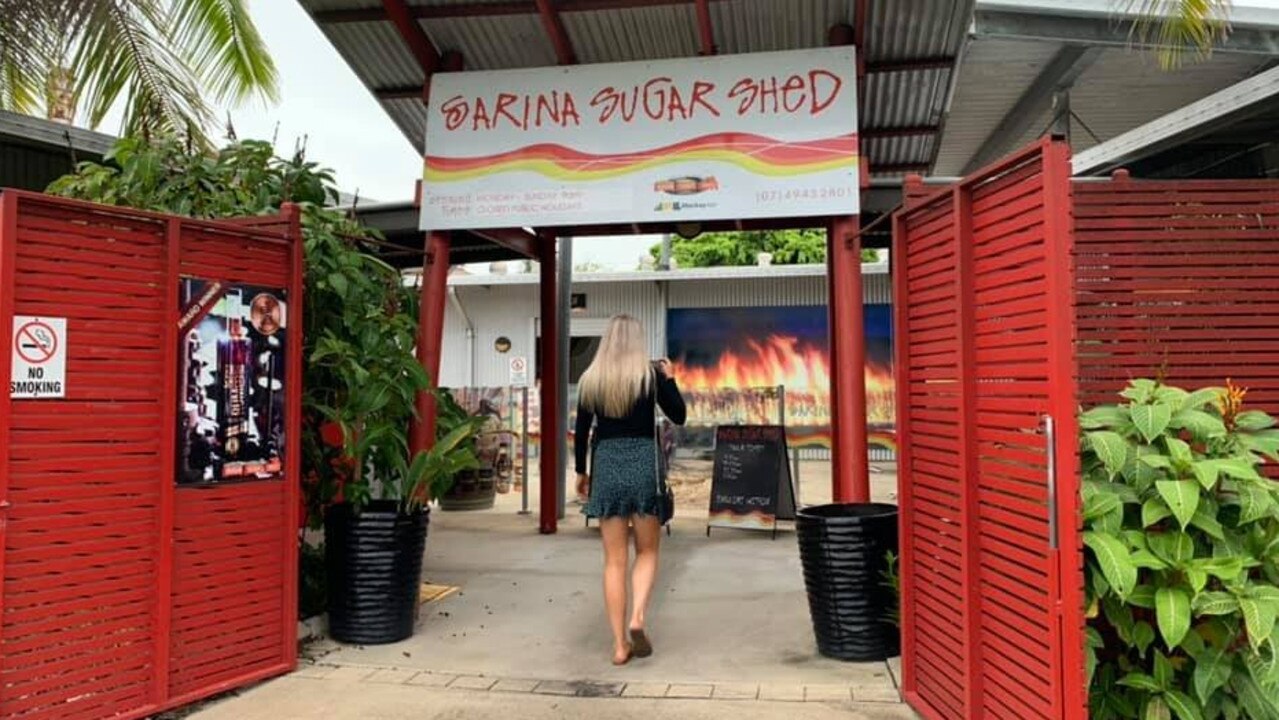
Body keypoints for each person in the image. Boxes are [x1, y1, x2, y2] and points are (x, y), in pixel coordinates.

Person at [574, 315, 687, 666]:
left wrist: (582, 471)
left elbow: (580, 433)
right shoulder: (650, 376)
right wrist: (670, 380)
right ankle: (638, 616)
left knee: (613, 561)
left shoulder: (590, 379)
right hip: (642, 463)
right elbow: (679, 416)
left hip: (606, 463)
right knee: (648, 551)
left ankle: (619, 644)